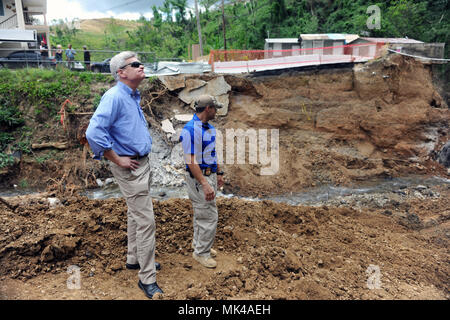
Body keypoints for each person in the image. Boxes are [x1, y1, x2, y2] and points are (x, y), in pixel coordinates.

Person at [85, 51, 163, 299]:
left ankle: (134, 259)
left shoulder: (131, 95)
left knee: (135, 213)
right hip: (129, 168)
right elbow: (93, 133)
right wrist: (116, 158)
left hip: (140, 164)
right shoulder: (115, 96)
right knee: (146, 221)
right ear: (121, 73)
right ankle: (147, 278)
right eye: (135, 64)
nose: (142, 67)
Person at [179, 95, 224, 269]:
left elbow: (213, 153)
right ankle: (201, 253)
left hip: (209, 174)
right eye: (215, 108)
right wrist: (204, 183)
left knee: (203, 212)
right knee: (209, 216)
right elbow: (191, 161)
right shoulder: (190, 130)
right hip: (199, 179)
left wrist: (218, 172)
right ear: (208, 109)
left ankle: (199, 245)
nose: (216, 111)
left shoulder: (209, 128)